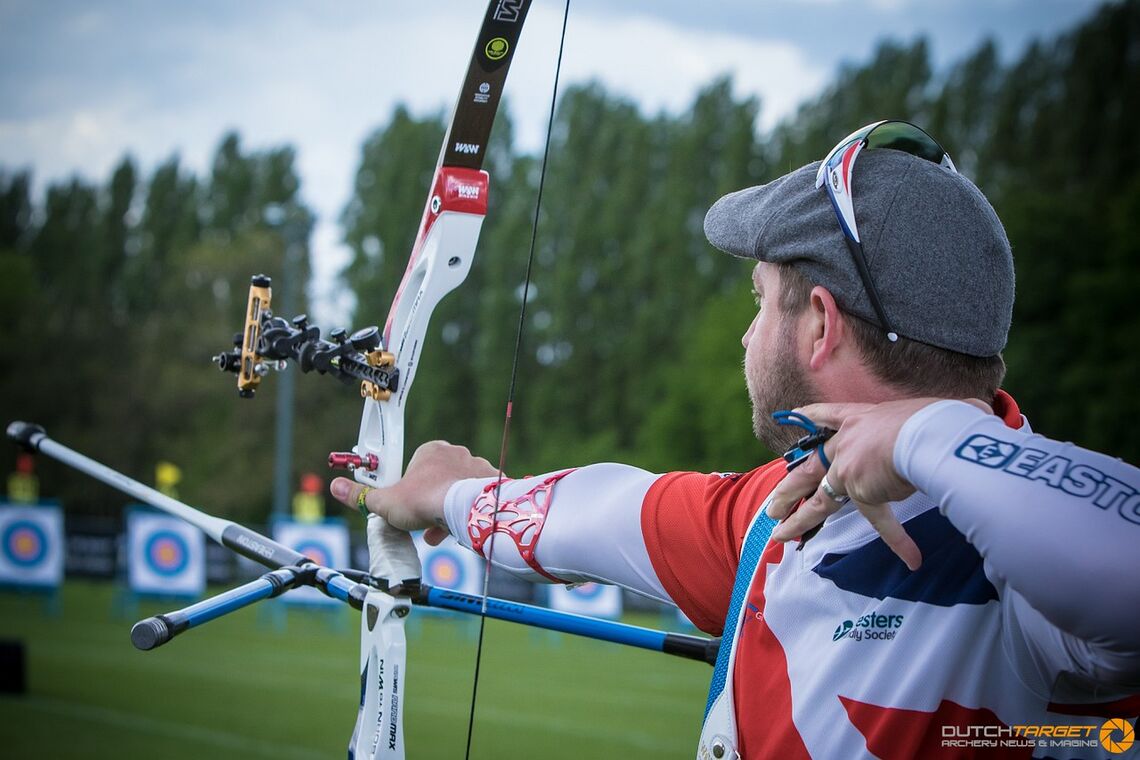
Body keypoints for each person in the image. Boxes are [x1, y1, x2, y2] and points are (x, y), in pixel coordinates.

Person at [331, 121, 1140, 758]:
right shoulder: (787, 511)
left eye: (760, 300)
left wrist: (924, 434)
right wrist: (453, 493)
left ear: (819, 324)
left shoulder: (1035, 583)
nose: (747, 337)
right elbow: (605, 513)